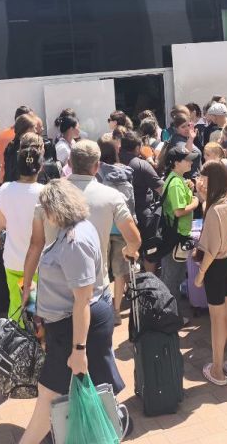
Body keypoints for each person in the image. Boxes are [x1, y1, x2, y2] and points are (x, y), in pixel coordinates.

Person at [19, 180, 129, 444]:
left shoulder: (74, 240)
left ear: (55, 209)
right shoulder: (74, 230)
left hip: (73, 327)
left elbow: (82, 299)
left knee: (48, 394)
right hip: (70, 325)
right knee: (68, 391)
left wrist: (78, 350)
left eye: (45, 208)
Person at [67, 140, 142, 294]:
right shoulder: (111, 196)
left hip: (60, 288)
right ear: (97, 167)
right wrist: (128, 251)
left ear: (69, 163)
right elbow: (134, 240)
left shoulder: (50, 193)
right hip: (97, 287)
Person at [193, 161, 227, 386]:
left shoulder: (215, 209)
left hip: (215, 265)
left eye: (204, 178)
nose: (201, 182)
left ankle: (217, 369)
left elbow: (211, 249)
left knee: (217, 318)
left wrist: (200, 274)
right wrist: (202, 197)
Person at [0, 144, 45, 320]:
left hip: (13, 258)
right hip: (39, 261)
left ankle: (18, 334)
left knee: (17, 303)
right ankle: (32, 335)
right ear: (40, 166)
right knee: (35, 308)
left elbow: (0, 224)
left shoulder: (4, 189)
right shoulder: (45, 192)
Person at [156, 144, 200, 321]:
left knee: (176, 276)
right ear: (175, 163)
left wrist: (189, 188)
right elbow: (179, 211)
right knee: (171, 280)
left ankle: (171, 316)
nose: (190, 163)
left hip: (177, 236)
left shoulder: (178, 179)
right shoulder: (175, 183)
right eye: (186, 160)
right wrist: (195, 202)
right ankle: (170, 319)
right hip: (174, 238)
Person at [96, 135, 137, 323]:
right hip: (122, 227)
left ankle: (102, 307)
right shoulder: (125, 172)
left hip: (103, 227)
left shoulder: (97, 173)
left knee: (102, 270)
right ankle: (117, 311)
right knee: (120, 271)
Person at [118, 129, 165, 271]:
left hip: (120, 216)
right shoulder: (141, 165)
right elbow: (161, 189)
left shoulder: (114, 161)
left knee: (126, 254)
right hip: (143, 215)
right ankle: (150, 279)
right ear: (138, 148)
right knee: (150, 252)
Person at [0, 106, 32, 180]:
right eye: (31, 118)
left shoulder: (2, 135)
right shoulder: (25, 137)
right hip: (19, 179)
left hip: (3, 177)